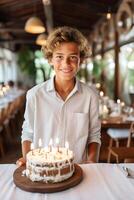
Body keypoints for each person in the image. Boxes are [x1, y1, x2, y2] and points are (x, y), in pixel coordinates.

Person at [17, 26, 101, 166]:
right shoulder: (35, 95)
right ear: (50, 59)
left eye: (73, 57)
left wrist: (92, 162)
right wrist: (27, 159)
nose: (66, 64)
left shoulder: (90, 96)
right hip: (42, 168)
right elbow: (28, 133)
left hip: (78, 168)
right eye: (59, 57)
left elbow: (94, 135)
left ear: (81, 60)